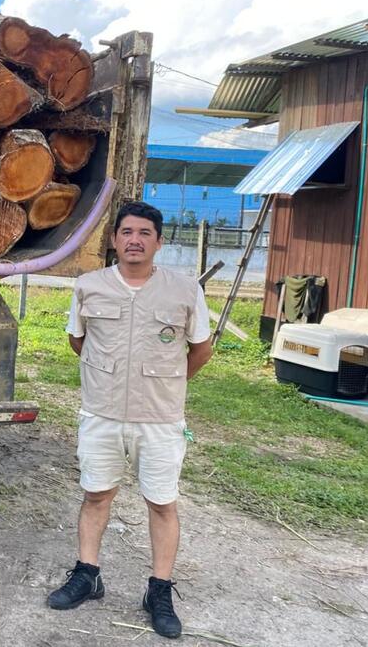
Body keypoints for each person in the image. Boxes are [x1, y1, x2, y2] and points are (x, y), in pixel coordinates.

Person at [47, 201, 213, 639]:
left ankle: (158, 590)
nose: (134, 240)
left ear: (159, 242)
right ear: (114, 239)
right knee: (96, 496)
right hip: (101, 414)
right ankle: (88, 575)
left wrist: (168, 384)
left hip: (159, 419)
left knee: (161, 503)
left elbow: (201, 350)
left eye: (144, 233)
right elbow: (78, 341)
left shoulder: (184, 290)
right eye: (126, 232)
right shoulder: (89, 286)